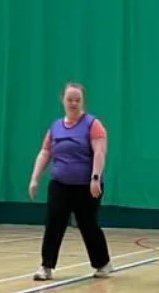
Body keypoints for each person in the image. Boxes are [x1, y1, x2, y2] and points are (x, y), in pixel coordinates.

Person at [28, 82, 112, 281]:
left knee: (88, 224)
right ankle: (46, 266)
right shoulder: (55, 126)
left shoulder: (93, 124)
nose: (73, 103)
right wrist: (35, 178)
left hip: (86, 186)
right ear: (62, 100)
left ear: (82, 101)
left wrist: (95, 178)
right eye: (70, 99)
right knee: (54, 223)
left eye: (77, 100)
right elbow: (45, 152)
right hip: (60, 184)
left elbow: (100, 152)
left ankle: (103, 263)